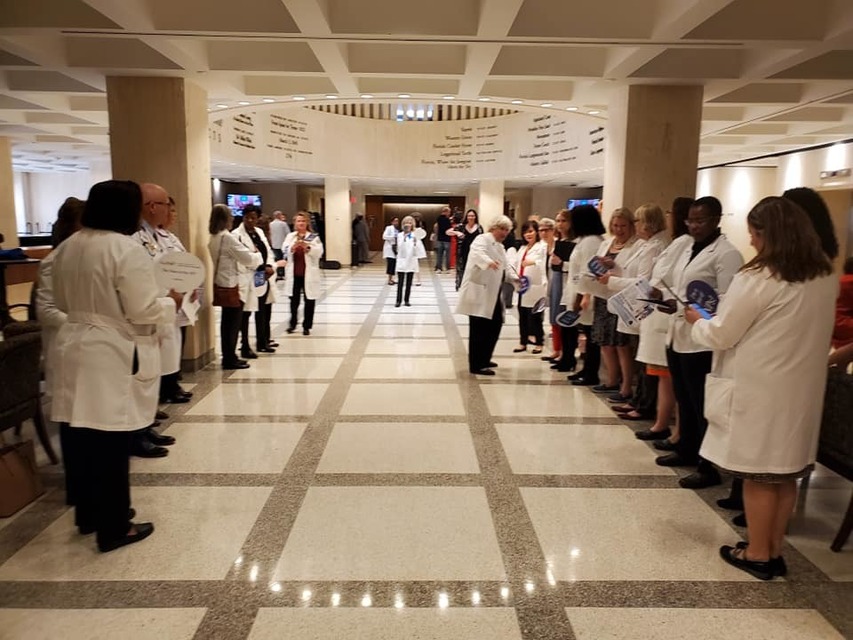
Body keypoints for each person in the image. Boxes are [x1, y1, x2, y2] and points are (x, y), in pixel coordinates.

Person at [685, 196, 836, 580]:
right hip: (801, 392)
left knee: (758, 474)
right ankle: (774, 549)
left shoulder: (758, 278)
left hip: (760, 389)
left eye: (753, 233)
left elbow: (723, 333)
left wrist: (696, 321)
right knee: (784, 474)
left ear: (770, 233)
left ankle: (757, 553)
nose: (751, 241)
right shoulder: (822, 275)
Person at [51, 180, 182, 552]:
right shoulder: (124, 248)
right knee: (111, 439)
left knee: (81, 435)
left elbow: (61, 300)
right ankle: (115, 526)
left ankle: (89, 514)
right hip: (109, 349)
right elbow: (143, 308)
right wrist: (170, 303)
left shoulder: (70, 245)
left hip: (73, 342)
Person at [652, 196, 743, 489]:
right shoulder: (688, 248)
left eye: (700, 220)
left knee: (702, 404)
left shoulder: (727, 254)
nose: (693, 226)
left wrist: (693, 313)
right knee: (685, 399)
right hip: (679, 334)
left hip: (702, 341)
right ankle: (687, 449)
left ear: (716, 219)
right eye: (690, 220)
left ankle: (708, 466)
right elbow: (681, 288)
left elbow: (726, 302)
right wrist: (670, 302)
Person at [599, 204, 670, 420]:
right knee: (640, 357)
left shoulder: (654, 247)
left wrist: (612, 281)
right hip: (634, 306)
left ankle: (643, 403)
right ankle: (638, 400)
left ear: (647, 223)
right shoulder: (647, 245)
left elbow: (643, 282)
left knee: (645, 360)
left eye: (637, 221)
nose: (634, 225)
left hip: (645, 307)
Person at [36, 196, 84, 508]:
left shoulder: (83, 258)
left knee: (86, 420)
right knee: (71, 420)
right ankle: (77, 487)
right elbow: (45, 310)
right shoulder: (53, 261)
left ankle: (87, 483)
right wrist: (84, 323)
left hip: (87, 348)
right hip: (66, 347)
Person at [131, 183, 183, 458]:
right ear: (152, 207)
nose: (169, 210)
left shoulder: (154, 235)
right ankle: (137, 432)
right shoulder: (133, 237)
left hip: (160, 309)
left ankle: (146, 424)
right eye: (165, 205)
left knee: (151, 373)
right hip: (147, 311)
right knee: (141, 377)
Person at [587, 207, 640, 400]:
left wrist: (613, 267)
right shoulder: (607, 243)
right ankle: (611, 380)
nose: (619, 230)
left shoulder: (636, 246)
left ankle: (626, 386)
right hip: (603, 296)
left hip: (622, 298)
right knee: (605, 342)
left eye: (623, 226)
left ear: (631, 226)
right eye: (615, 225)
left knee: (621, 344)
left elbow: (632, 273)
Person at [208, 203, 261, 369]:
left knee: (226, 323)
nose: (232, 218)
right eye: (230, 216)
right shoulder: (228, 238)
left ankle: (229, 355)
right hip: (231, 285)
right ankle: (230, 358)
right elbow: (248, 259)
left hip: (220, 282)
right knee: (233, 324)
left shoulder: (214, 237)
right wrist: (257, 254)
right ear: (225, 219)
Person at [456, 215, 511, 375]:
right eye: (502, 229)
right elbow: (477, 253)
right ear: (493, 228)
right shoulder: (482, 239)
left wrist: (516, 279)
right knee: (478, 328)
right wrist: (488, 262)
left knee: (495, 324)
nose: (505, 233)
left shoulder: (500, 247)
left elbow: (506, 266)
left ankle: (485, 357)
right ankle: (476, 364)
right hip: (479, 292)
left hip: (494, 292)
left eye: (507, 230)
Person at [566, 205, 606, 386]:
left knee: (591, 335)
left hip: (588, 294)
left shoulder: (591, 242)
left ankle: (591, 373)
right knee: (587, 333)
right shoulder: (585, 240)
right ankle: (586, 369)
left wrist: (581, 297)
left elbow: (588, 272)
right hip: (580, 290)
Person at [233, 205, 275, 356]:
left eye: (253, 218)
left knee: (262, 309)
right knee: (246, 312)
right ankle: (244, 345)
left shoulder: (259, 232)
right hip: (247, 276)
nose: (250, 221)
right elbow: (242, 258)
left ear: (258, 219)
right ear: (243, 217)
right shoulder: (236, 235)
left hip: (261, 275)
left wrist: (269, 265)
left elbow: (267, 251)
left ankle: (262, 342)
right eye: (247, 218)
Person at [283, 211, 324, 335]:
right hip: (294, 274)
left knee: (309, 300)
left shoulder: (313, 237)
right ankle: (292, 323)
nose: (301, 223)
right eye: (298, 221)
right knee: (293, 301)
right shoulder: (290, 236)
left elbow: (319, 252)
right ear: (295, 223)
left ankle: (307, 326)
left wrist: (308, 248)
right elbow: (284, 249)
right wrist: (292, 248)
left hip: (308, 274)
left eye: (303, 221)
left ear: (307, 223)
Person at [510, 219, 548, 354]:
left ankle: (539, 343)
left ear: (537, 232)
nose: (528, 234)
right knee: (523, 316)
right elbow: (516, 264)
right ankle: (523, 342)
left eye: (531, 231)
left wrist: (533, 262)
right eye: (526, 232)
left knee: (535, 316)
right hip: (522, 286)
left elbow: (543, 262)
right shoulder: (522, 248)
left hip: (536, 287)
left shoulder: (542, 246)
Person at [549, 210, 578, 372]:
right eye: (558, 221)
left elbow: (576, 267)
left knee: (569, 323)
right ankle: (563, 355)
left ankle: (568, 357)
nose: (560, 224)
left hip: (570, 283)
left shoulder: (576, 242)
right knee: (560, 320)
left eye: (563, 221)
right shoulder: (560, 241)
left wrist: (561, 263)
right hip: (559, 282)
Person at [447, 209, 483, 290]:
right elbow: (447, 232)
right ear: (466, 217)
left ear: (475, 217)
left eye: (472, 216)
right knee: (462, 268)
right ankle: (462, 286)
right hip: (463, 251)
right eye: (469, 216)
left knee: (474, 269)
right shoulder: (461, 226)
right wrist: (457, 232)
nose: (471, 217)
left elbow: (482, 239)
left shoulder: (479, 227)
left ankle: (472, 286)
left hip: (475, 252)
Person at [394, 216, 424, 307]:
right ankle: (398, 300)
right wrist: (404, 237)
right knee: (400, 282)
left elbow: (419, 250)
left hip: (411, 260)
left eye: (410, 223)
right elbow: (399, 248)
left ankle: (406, 300)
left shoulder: (415, 235)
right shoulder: (400, 235)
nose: (408, 225)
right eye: (406, 223)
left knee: (409, 282)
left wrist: (415, 243)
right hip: (402, 260)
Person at [434, 207, 452, 272]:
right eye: (449, 212)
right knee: (447, 255)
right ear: (446, 212)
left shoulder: (438, 218)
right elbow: (449, 228)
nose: (449, 214)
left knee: (439, 254)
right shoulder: (446, 220)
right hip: (447, 239)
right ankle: (447, 268)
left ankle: (439, 268)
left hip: (440, 238)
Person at [383, 217, 399, 285]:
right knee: (390, 264)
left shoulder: (397, 230)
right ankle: (389, 280)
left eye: (397, 221)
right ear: (392, 222)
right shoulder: (389, 228)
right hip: (389, 248)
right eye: (395, 221)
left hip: (395, 248)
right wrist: (393, 237)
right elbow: (384, 236)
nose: (396, 222)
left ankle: (392, 279)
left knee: (394, 264)